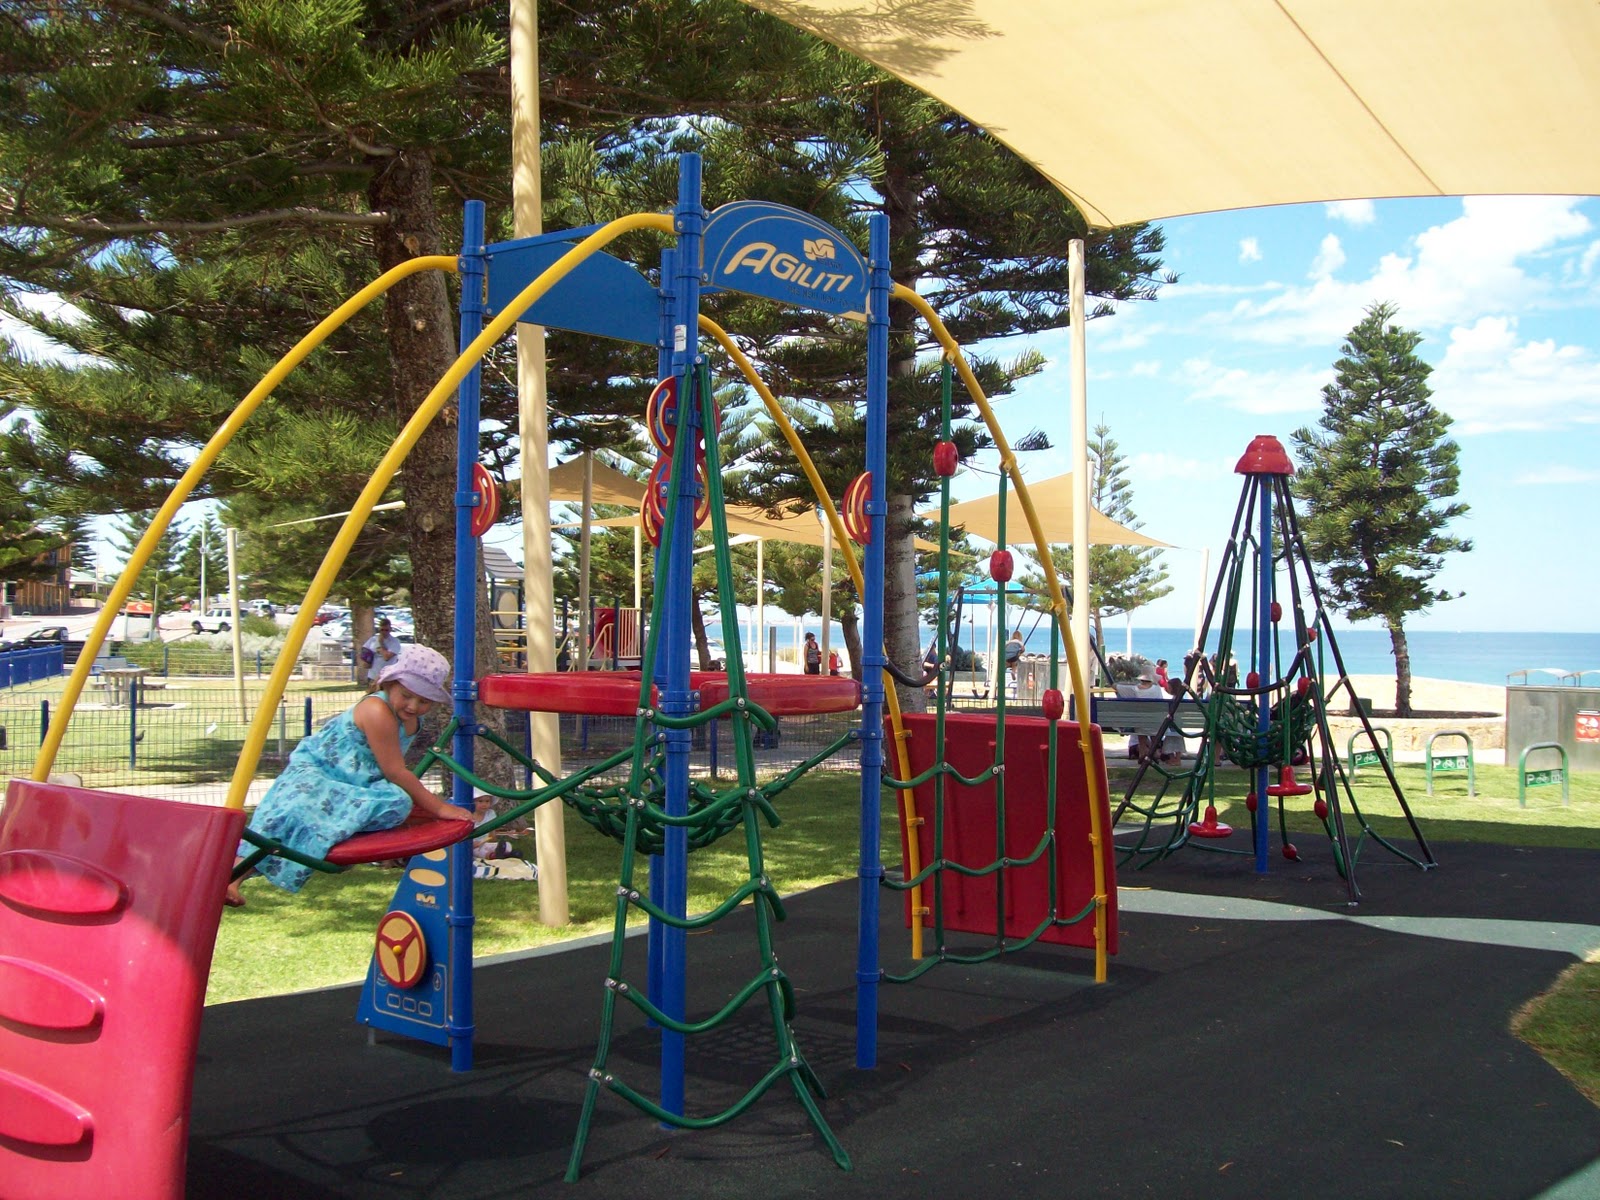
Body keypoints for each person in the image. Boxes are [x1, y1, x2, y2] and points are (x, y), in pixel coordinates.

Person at [225, 645, 475, 906]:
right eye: (407, 695)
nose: (413, 706)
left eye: (423, 701)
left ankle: (331, 833)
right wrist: (439, 808)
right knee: (291, 817)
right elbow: (395, 770)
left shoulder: (407, 717)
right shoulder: (377, 710)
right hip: (321, 771)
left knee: (397, 802)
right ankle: (232, 877)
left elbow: (388, 769)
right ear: (389, 684)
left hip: (354, 780)